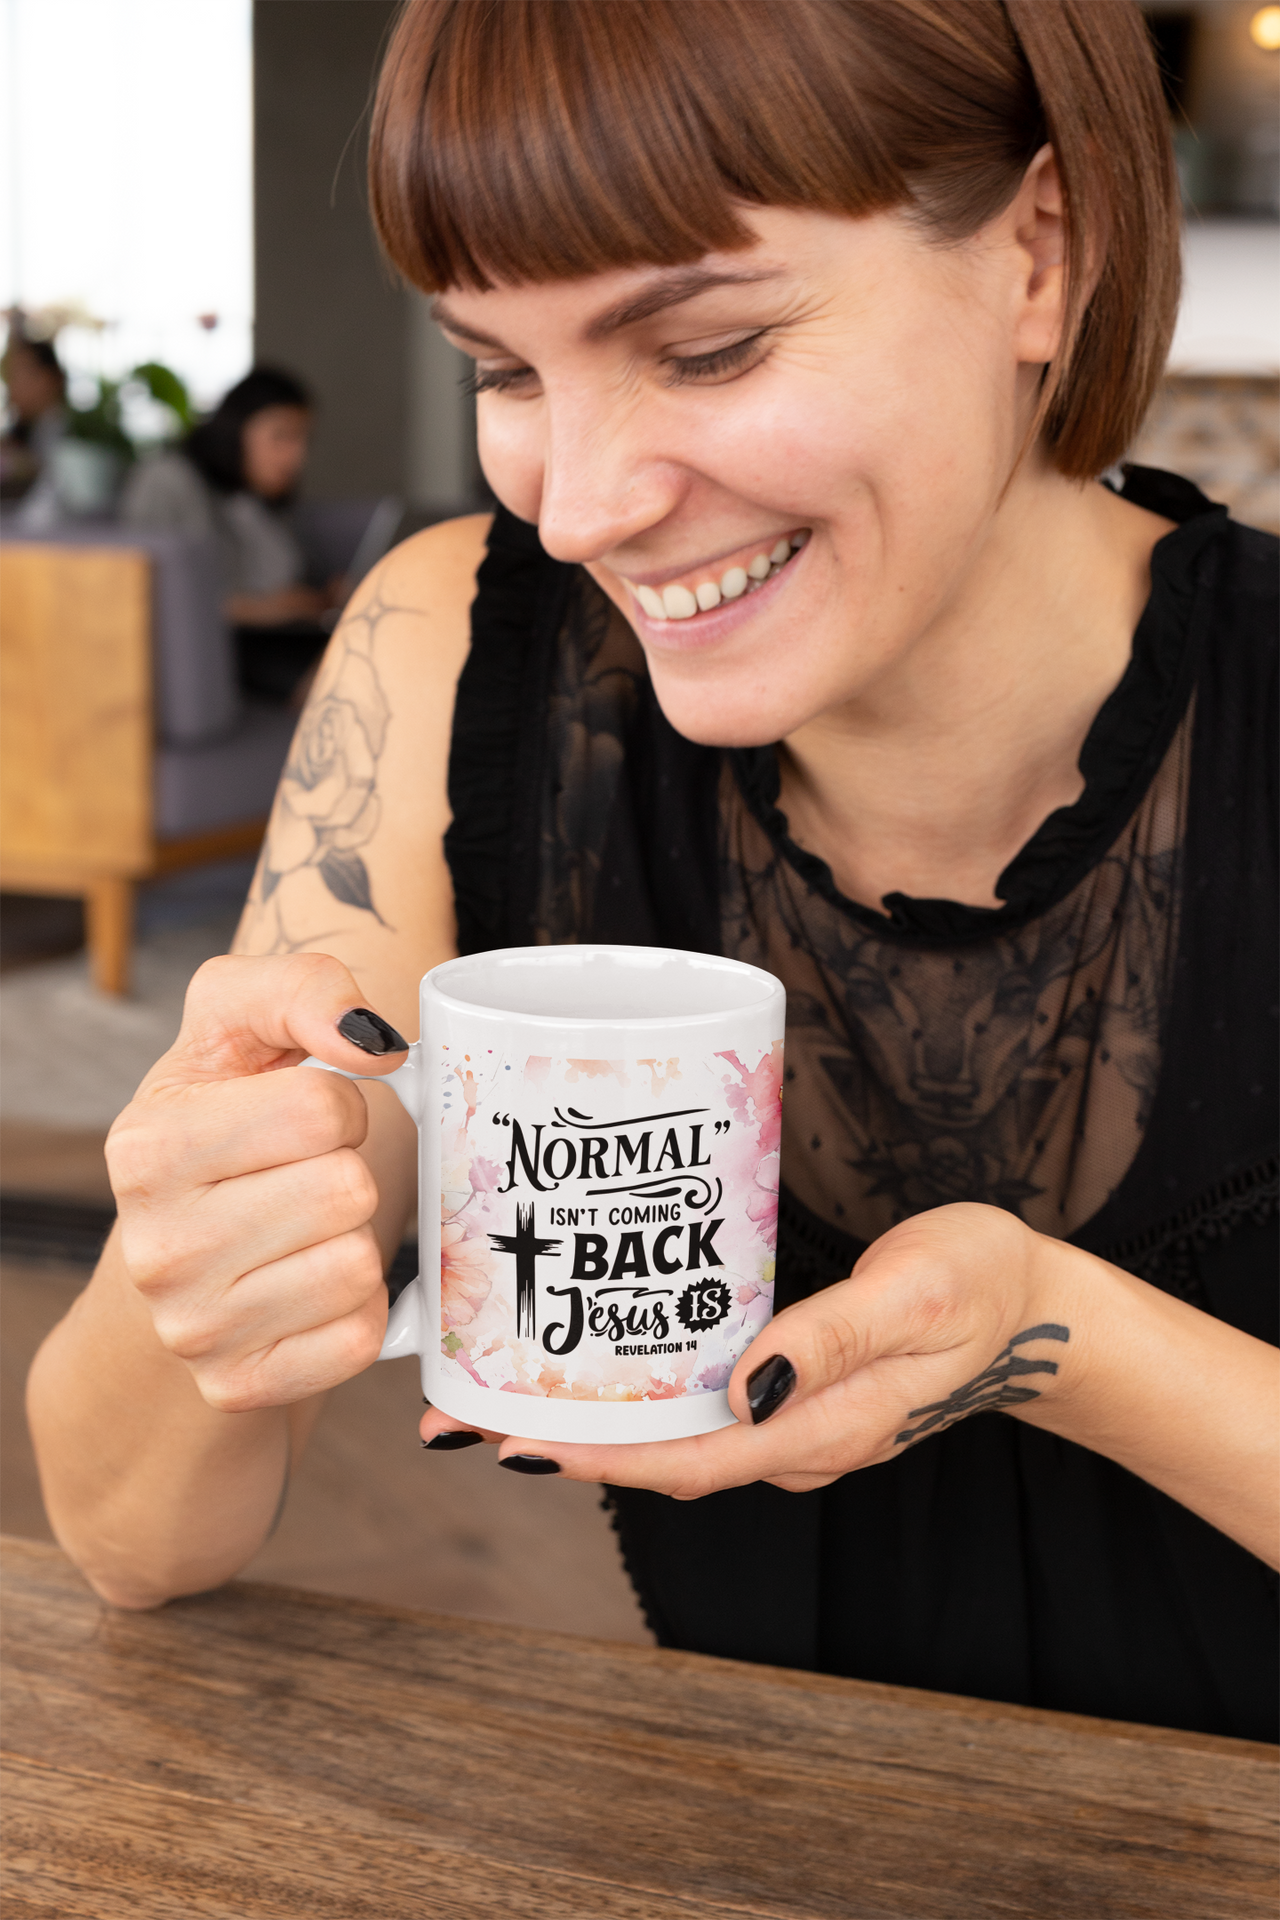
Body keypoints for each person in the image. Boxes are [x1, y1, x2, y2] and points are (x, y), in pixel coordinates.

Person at [28, 0, 1277, 1744]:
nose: (583, 507)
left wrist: (1057, 1338)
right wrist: (224, 1237)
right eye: (506, 372)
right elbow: (131, 1540)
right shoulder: (458, 651)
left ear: (1038, 256)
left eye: (704, 350)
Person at [121, 366, 342, 701]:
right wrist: (270, 607)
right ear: (237, 428)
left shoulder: (257, 498)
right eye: (281, 436)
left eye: (303, 439)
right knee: (342, 670)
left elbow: (284, 574)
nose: (297, 456)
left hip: (278, 634)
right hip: (216, 644)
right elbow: (154, 597)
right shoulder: (169, 481)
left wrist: (322, 598)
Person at [0, 325, 67, 510]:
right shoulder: (26, 430)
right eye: (8, 377)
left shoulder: (71, 433)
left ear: (50, 377)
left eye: (18, 374)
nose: (11, 386)